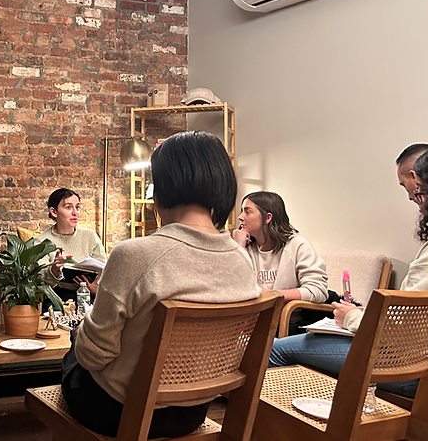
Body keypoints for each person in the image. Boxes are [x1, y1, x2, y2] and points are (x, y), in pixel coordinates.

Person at [61, 131, 261, 437]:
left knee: (76, 349)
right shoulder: (243, 262)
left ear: (159, 190)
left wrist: (81, 336)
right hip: (194, 410)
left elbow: (94, 356)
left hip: (118, 409)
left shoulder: (134, 254)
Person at [268, 141, 428, 400]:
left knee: (274, 350)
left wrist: (350, 318)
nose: (415, 196)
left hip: (416, 370)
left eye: (422, 190)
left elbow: (396, 333)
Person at [232, 191, 328, 303]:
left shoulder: (297, 245)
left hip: (290, 319)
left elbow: (317, 290)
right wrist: (238, 247)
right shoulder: (244, 247)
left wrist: (271, 295)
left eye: (247, 212)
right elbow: (231, 289)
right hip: (251, 319)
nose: (240, 217)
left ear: (268, 218)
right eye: (242, 211)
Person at [33, 188, 107, 296]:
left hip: (90, 296)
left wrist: (95, 287)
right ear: (54, 212)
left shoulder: (90, 236)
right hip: (55, 297)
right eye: (68, 207)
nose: (75, 213)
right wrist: (53, 270)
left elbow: (104, 270)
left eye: (77, 207)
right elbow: (39, 282)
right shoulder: (41, 242)